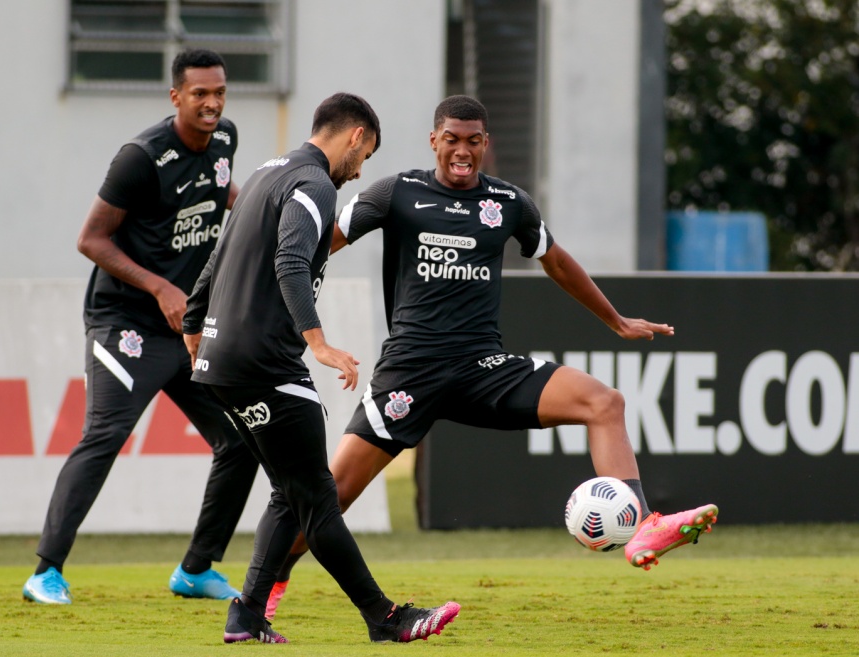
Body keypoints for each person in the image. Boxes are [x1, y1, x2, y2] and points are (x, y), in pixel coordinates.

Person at [262, 94, 719, 620]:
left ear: (485, 144)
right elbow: (321, 242)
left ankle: (642, 529)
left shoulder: (508, 202)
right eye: (451, 140)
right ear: (434, 140)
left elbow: (558, 261)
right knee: (330, 495)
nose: (462, 151)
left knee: (604, 402)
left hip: (483, 368)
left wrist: (615, 319)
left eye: (473, 141)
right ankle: (268, 586)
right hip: (410, 371)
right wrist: (275, 302)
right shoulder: (396, 192)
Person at [182, 92, 460, 644]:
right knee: (317, 497)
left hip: (223, 363)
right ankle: (384, 617)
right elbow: (290, 261)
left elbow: (214, 262)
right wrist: (321, 344)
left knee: (292, 492)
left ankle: (247, 614)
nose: (360, 172)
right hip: (266, 363)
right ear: (354, 136)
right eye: (366, 156)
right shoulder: (313, 185)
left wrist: (196, 334)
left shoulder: (265, 172)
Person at [22, 49, 259, 605]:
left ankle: (196, 570)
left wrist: (253, 207)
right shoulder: (141, 157)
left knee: (242, 437)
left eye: (219, 92)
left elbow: (219, 193)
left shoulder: (225, 139)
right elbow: (91, 239)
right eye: (199, 93)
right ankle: (45, 572)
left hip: (190, 330)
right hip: (126, 325)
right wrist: (159, 285)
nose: (212, 103)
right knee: (105, 436)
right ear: (175, 96)